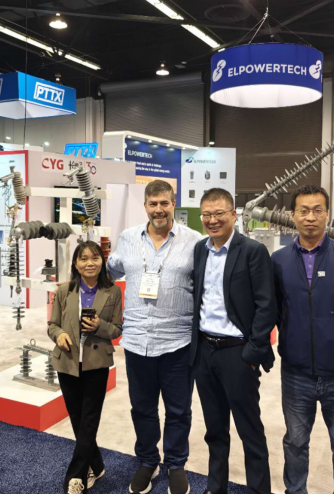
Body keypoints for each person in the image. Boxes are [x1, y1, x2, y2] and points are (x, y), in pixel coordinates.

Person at [271, 185, 334, 494]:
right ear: (292, 216)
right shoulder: (278, 260)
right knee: (295, 444)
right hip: (296, 373)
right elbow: (277, 309)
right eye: (303, 210)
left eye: (317, 210)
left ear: (327, 214)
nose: (310, 217)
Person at [107, 180, 202, 494]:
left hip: (178, 342)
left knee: (178, 410)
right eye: (153, 204)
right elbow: (111, 271)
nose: (158, 210)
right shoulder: (128, 238)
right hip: (137, 341)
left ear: (173, 203)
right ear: (145, 205)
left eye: (164, 203)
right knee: (142, 409)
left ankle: (176, 463)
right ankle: (148, 460)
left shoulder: (194, 241)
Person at [191, 188, 277, 494]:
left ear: (233, 215)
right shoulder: (200, 250)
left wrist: (252, 352)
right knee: (215, 429)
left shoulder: (252, 251)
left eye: (219, 213)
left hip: (237, 353)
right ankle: (216, 488)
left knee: (249, 429)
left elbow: (266, 305)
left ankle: (259, 490)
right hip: (205, 352)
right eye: (207, 214)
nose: (212, 220)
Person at [47, 240, 124, 494]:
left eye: (95, 258)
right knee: (78, 419)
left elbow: (117, 329)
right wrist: (59, 335)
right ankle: (97, 465)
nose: (89, 263)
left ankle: (75, 476)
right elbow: (52, 325)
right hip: (67, 361)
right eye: (83, 258)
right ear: (75, 263)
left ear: (102, 261)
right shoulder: (64, 291)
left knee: (89, 420)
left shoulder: (113, 291)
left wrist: (100, 326)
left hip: (96, 362)